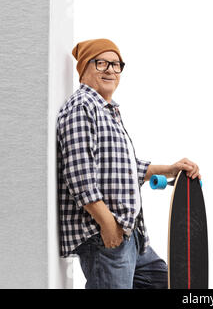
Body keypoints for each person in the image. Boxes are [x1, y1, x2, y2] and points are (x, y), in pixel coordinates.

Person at [56, 38, 201, 289]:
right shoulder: (82, 107)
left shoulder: (107, 111)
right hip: (104, 237)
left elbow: (126, 168)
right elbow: (79, 175)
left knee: (163, 282)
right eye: (101, 63)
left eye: (116, 64)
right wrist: (107, 224)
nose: (110, 70)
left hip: (130, 234)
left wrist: (170, 169)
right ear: (83, 68)